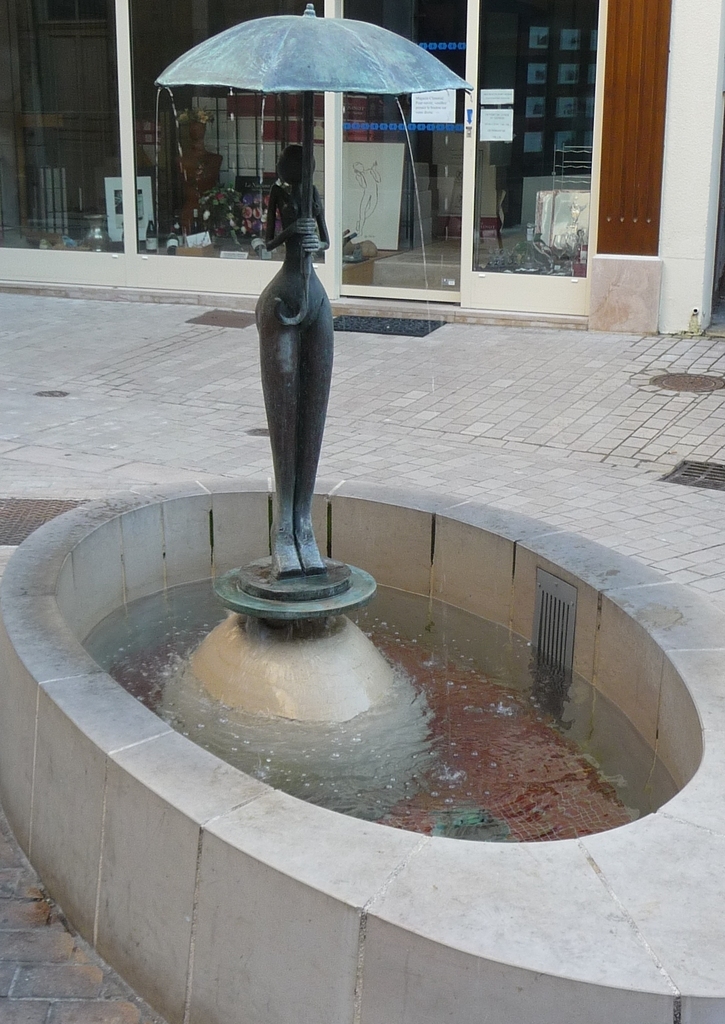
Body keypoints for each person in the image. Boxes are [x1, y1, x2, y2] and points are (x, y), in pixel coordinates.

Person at [256, 144, 332, 579]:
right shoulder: (279, 195)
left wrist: (314, 236)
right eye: (297, 166)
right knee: (284, 418)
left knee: (314, 415)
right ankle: (283, 528)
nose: (303, 172)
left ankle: (305, 521)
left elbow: (322, 239)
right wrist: (291, 233)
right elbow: (267, 243)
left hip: (315, 299)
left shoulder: (313, 196)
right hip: (283, 298)